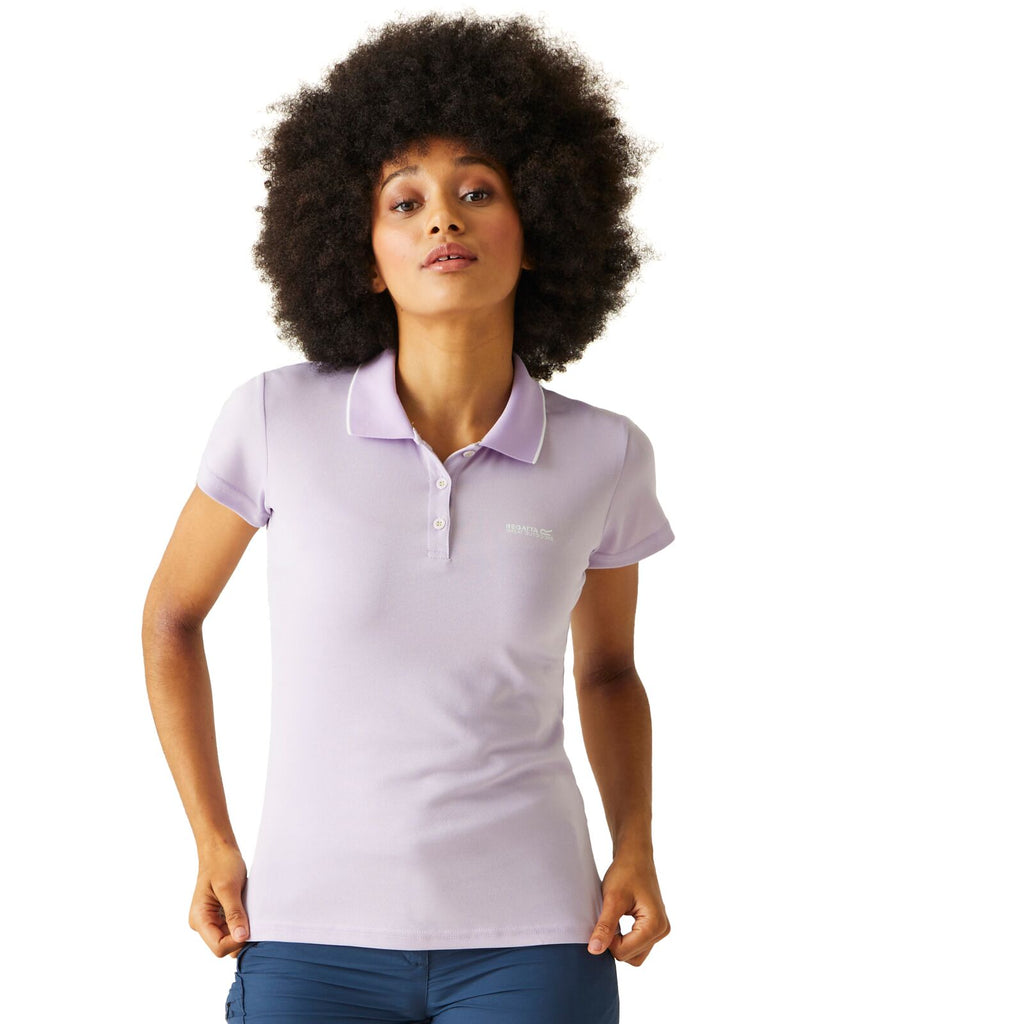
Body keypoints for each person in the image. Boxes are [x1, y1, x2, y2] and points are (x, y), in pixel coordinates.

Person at [142, 12, 674, 1023]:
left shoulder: (605, 453)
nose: (443, 222)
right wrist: (210, 839)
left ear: (540, 229)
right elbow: (171, 617)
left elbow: (608, 670)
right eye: (406, 200)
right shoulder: (274, 417)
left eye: (477, 192)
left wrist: (635, 844)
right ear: (363, 253)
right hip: (305, 929)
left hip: (537, 936)